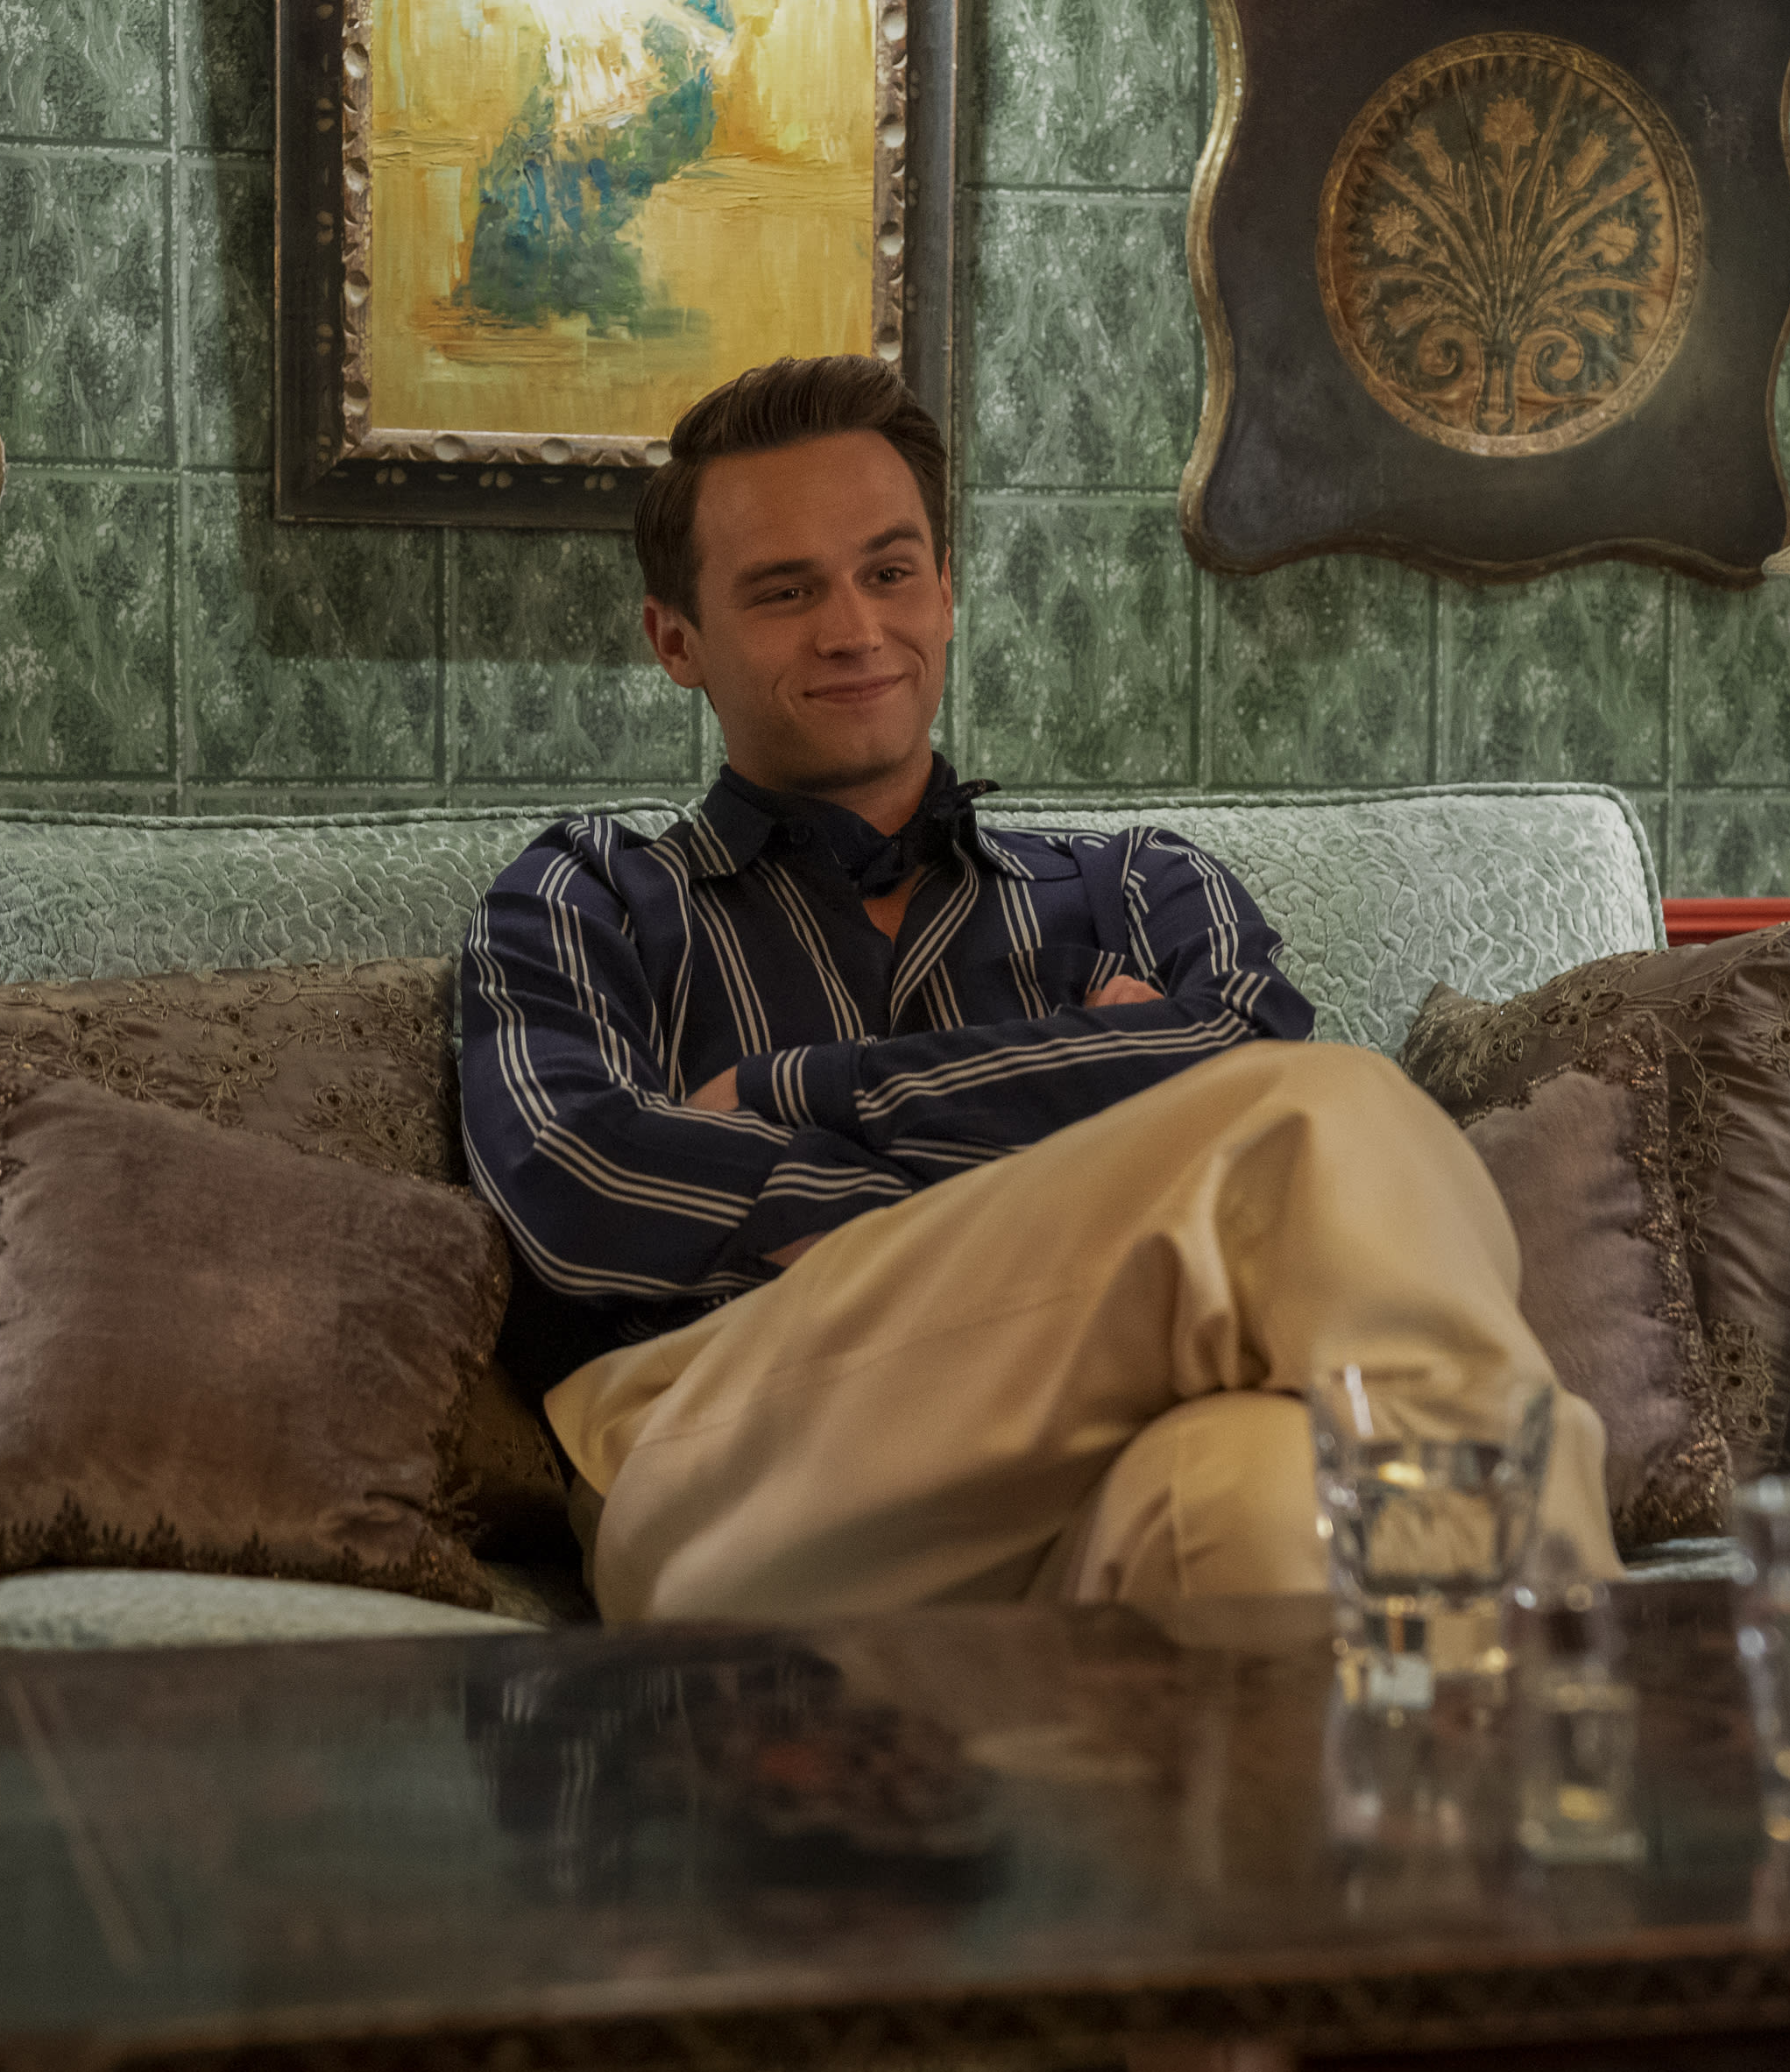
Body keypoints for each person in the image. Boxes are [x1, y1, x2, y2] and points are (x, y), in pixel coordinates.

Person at [459, 354, 1616, 1623]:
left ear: (948, 593)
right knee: (1322, 1120)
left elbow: (1244, 1046)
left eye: (890, 573)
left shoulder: (1140, 887)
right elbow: (583, 1179)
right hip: (723, 1450)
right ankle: (1585, 1679)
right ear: (675, 640)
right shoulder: (591, 891)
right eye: (786, 591)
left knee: (1270, 1501)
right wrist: (1082, 1146)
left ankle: (1467, 1721)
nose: (853, 629)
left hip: (1103, 1462)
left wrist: (803, 1091)